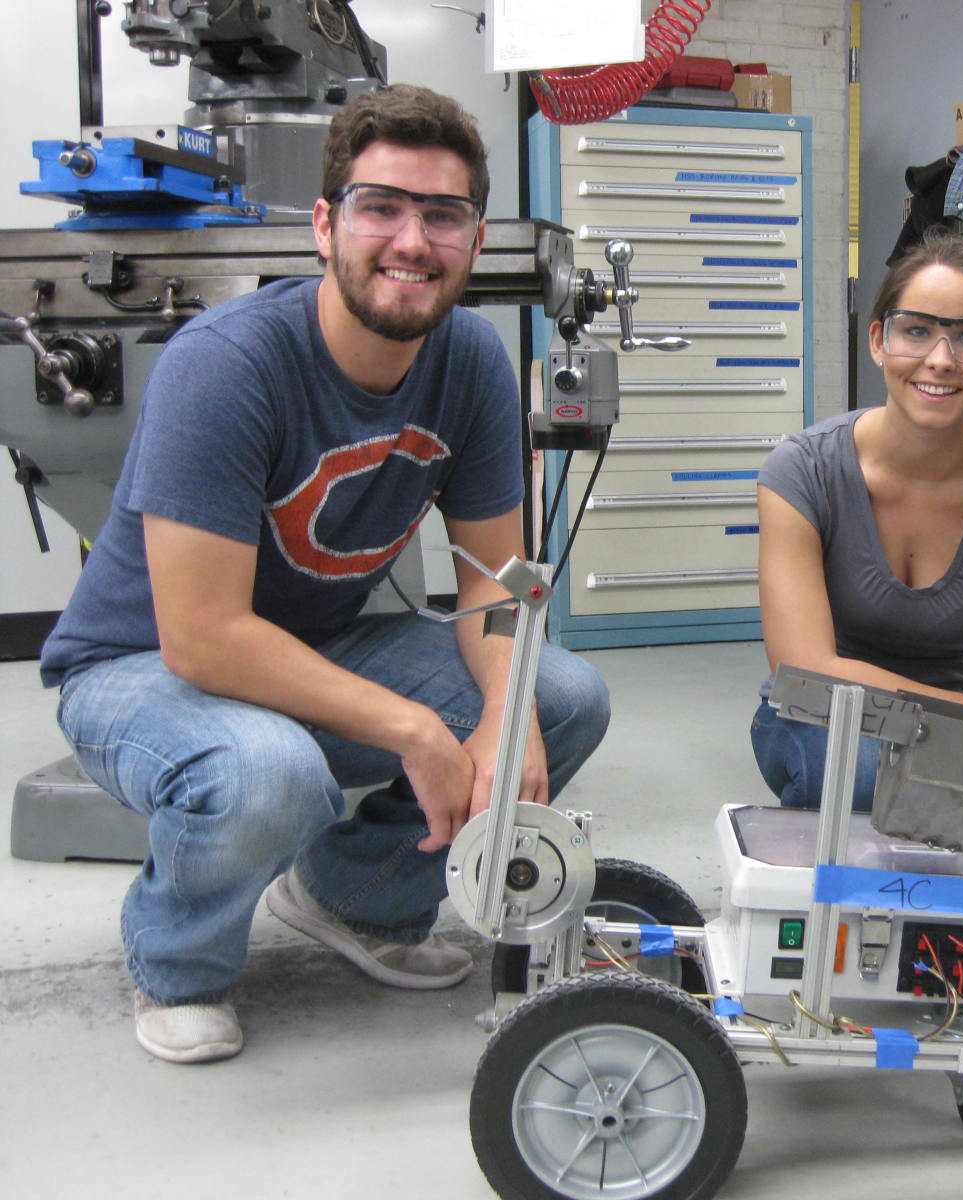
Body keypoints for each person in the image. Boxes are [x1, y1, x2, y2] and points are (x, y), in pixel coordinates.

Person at [39, 84, 611, 1064]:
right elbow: (203, 639)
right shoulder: (228, 365)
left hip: (313, 642)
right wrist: (416, 729)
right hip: (138, 666)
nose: (412, 241)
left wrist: (506, 709)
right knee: (270, 773)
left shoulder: (472, 361)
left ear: (475, 241)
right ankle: (178, 964)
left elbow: (498, 577)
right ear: (323, 225)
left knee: (559, 697)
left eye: (443, 215)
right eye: (380, 207)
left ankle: (353, 898)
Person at [751, 230, 963, 811]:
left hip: (960, 731)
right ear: (878, 341)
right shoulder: (804, 472)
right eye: (916, 331)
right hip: (818, 714)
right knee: (866, 776)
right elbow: (803, 668)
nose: (941, 360)